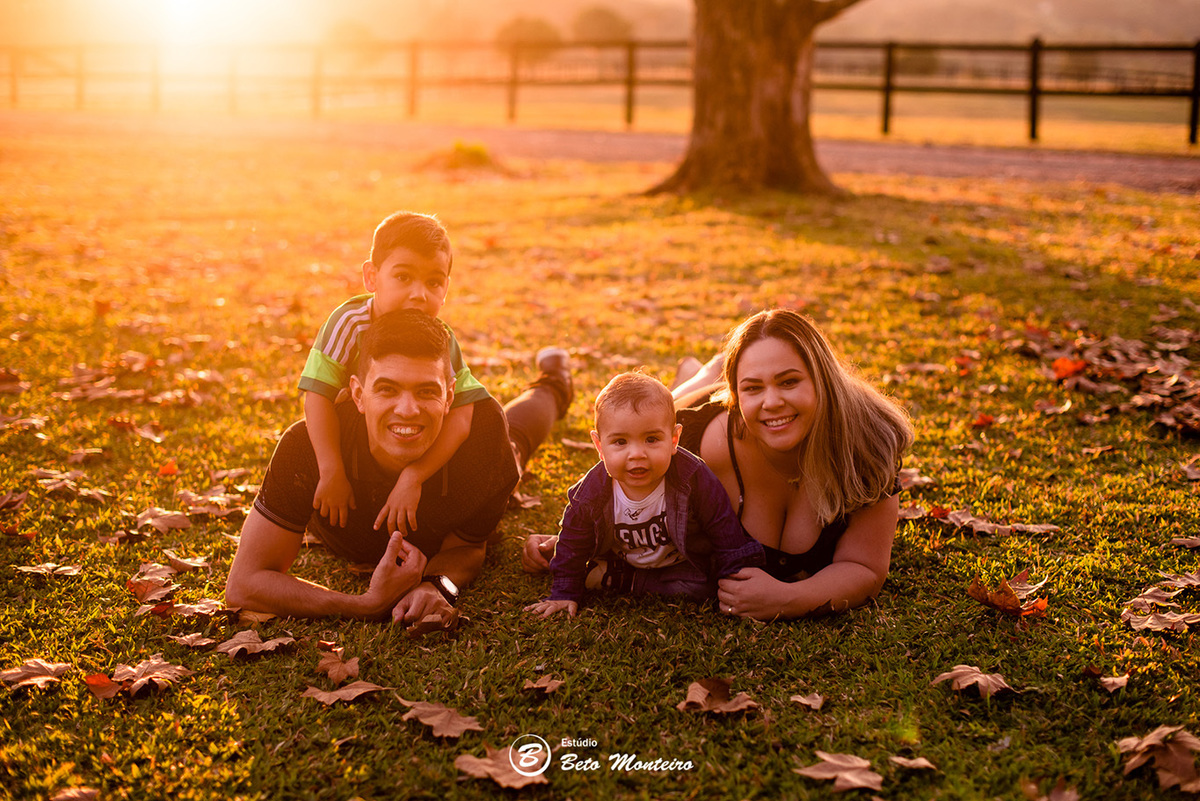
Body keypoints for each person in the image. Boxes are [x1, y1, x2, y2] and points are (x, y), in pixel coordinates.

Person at [524, 309, 912, 621]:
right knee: (674, 400)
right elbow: (623, 481)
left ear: (823, 380)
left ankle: (711, 371)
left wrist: (789, 598)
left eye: (789, 381)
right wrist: (574, 543)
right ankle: (707, 372)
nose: (772, 402)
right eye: (753, 387)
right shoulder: (700, 443)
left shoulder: (867, 445)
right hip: (702, 409)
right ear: (737, 395)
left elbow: (866, 568)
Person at [227, 309, 570, 622]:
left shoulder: (482, 442)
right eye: (387, 389)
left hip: (483, 458)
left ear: (450, 397)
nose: (407, 410)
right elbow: (244, 584)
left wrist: (435, 585)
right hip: (348, 537)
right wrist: (363, 604)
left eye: (426, 391)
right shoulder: (309, 447)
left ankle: (554, 384)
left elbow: (468, 548)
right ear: (358, 395)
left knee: (513, 443)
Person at [299, 211, 491, 539]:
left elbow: (462, 415)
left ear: (446, 288)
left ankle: (550, 386)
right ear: (372, 277)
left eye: (433, 282)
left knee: (513, 435)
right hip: (361, 445)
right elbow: (317, 397)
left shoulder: (441, 339)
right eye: (403, 277)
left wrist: (414, 476)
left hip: (415, 445)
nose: (419, 294)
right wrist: (331, 471)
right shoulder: (349, 323)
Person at [525, 373, 764, 618]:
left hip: (678, 564)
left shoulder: (693, 477)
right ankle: (623, 577)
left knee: (702, 588)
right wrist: (564, 592)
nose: (637, 454)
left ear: (674, 439)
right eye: (620, 442)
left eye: (651, 439)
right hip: (621, 557)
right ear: (599, 446)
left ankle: (611, 577)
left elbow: (722, 526)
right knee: (570, 557)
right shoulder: (590, 491)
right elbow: (574, 539)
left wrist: (736, 578)